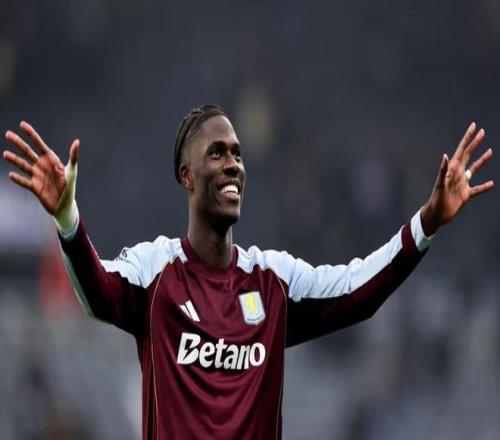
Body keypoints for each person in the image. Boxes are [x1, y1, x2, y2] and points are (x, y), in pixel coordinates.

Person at [3, 105, 494, 440]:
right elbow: (97, 292)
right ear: (187, 175)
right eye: (217, 153)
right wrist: (67, 219)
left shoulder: (273, 280)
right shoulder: (155, 270)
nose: (233, 164)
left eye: (237, 153)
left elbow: (358, 289)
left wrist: (427, 223)